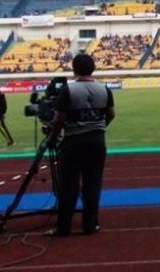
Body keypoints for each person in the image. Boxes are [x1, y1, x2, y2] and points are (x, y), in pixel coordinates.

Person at [47, 53, 115, 236]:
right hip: (97, 141)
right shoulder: (104, 89)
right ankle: (90, 225)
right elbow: (111, 114)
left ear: (74, 69)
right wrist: (99, 127)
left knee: (68, 185)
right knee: (93, 184)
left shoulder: (68, 90)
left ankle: (64, 227)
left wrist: (53, 138)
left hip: (73, 141)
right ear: (93, 68)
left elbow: (59, 119)